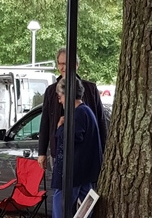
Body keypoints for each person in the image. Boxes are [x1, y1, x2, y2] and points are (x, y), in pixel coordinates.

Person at [37, 47, 107, 180]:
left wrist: (105, 151)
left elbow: (101, 122)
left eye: (67, 63)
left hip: (85, 152)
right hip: (58, 151)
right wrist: (42, 152)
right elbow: (45, 122)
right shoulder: (51, 91)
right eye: (60, 63)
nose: (63, 67)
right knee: (60, 188)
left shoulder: (90, 89)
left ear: (76, 65)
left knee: (84, 189)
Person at [50, 76, 103, 218]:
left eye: (60, 96)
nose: (59, 101)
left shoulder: (78, 114)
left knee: (61, 208)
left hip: (72, 173)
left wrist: (60, 128)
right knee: (85, 212)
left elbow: (71, 138)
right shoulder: (85, 112)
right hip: (82, 173)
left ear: (67, 95)